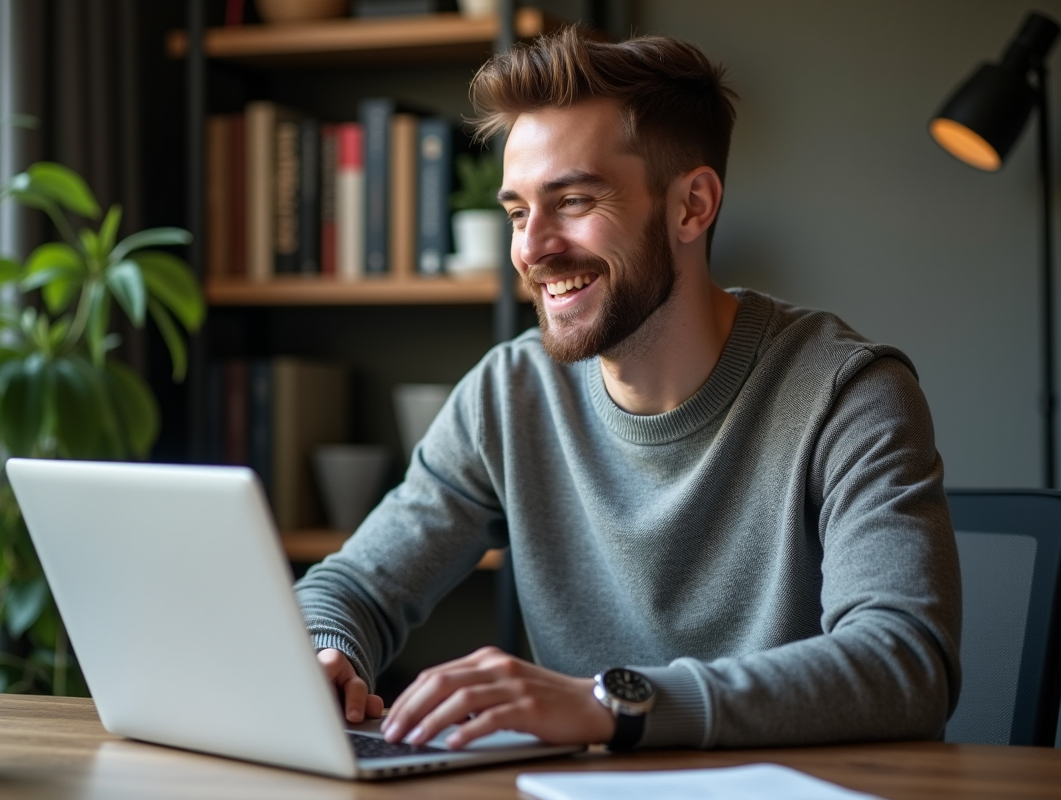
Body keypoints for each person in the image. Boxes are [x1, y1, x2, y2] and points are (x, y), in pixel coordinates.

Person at [294, 26, 961, 752]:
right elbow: (353, 587)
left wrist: (613, 704)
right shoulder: (511, 393)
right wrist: (326, 652)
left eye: (573, 201)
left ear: (691, 206)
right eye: (517, 212)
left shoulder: (848, 393)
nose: (532, 249)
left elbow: (904, 663)